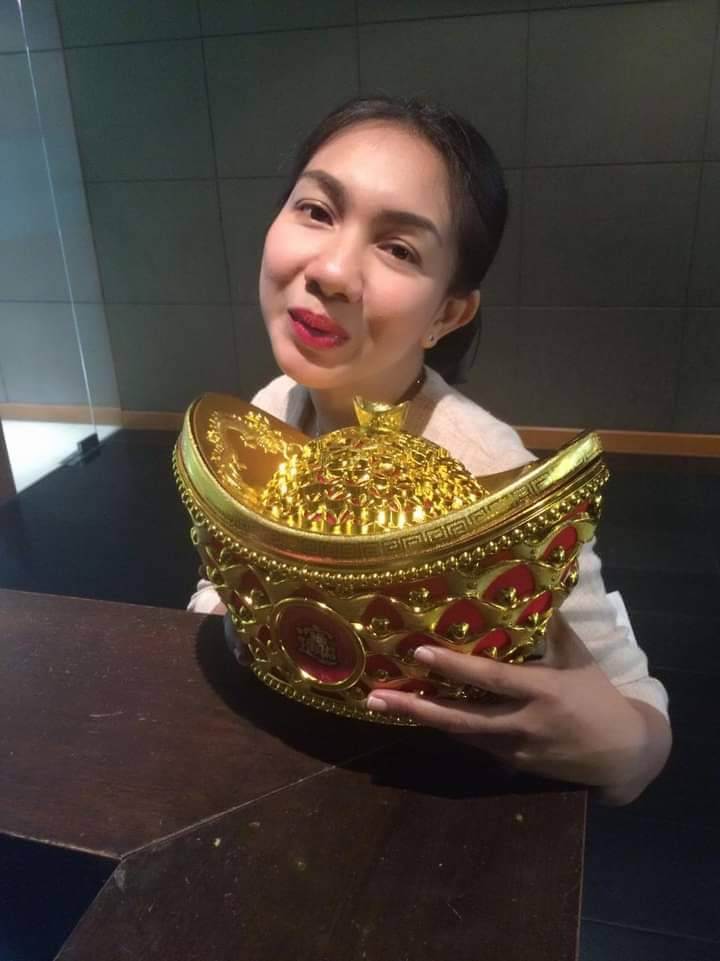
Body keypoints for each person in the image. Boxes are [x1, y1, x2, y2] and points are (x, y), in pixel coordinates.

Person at [188, 95, 671, 805]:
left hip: (428, 810)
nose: (332, 270)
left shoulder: (484, 467)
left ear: (447, 311)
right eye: (316, 210)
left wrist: (626, 751)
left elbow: (636, 717)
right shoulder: (270, 408)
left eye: (399, 248)